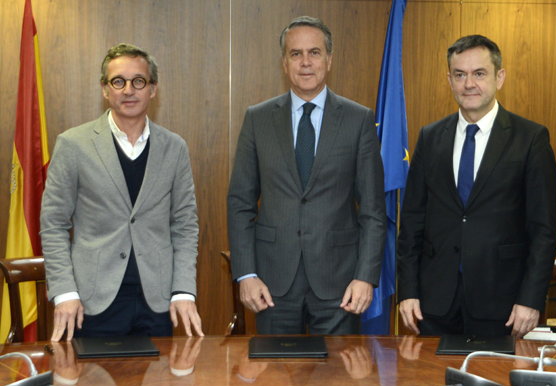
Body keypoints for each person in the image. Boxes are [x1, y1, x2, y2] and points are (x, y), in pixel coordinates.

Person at [227, 16, 385, 334]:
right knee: (275, 381)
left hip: (341, 284)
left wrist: (365, 276)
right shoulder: (257, 119)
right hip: (271, 285)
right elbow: (240, 202)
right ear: (284, 63)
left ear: (329, 59)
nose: (305, 63)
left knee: (338, 381)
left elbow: (373, 212)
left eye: (314, 52)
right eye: (296, 54)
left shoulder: (359, 119)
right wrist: (246, 274)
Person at [397, 35, 556, 337]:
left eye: (479, 73)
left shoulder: (530, 139)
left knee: (496, 384)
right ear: (449, 80)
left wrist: (531, 299)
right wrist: (408, 291)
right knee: (431, 383)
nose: (468, 84)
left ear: (500, 77)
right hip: (434, 304)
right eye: (460, 75)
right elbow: (412, 223)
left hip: (503, 304)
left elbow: (544, 230)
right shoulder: (430, 137)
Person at [41, 43, 203, 340]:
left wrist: (183, 289)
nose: (129, 90)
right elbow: (53, 225)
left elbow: (185, 224)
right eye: (118, 81)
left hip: (159, 301)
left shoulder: (174, 147)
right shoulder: (73, 145)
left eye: (138, 81)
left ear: (153, 89)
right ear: (105, 89)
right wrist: (64, 291)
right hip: (90, 303)